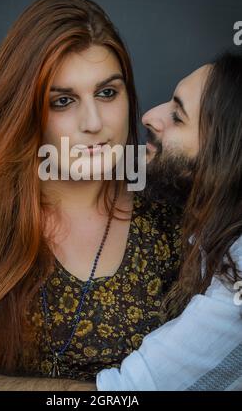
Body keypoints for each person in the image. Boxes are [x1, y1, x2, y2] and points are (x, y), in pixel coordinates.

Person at [0, 0, 182, 390]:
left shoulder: (173, 224)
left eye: (107, 93)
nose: (93, 122)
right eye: (63, 101)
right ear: (23, 109)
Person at [97, 52, 242, 390]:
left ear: (226, 155)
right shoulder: (207, 237)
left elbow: (125, 395)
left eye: (178, 116)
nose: (149, 115)